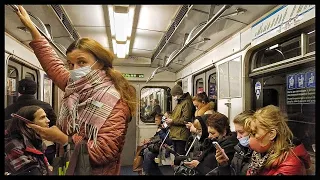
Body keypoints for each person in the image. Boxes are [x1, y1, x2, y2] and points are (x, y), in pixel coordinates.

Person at [15, 6, 136, 175]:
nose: (74, 69)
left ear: (99, 63)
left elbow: (105, 152)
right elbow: (53, 66)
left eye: (82, 62)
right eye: (70, 64)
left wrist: (62, 139)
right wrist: (32, 29)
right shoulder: (76, 87)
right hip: (69, 167)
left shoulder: (114, 102)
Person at [245, 105, 311, 175]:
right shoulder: (258, 157)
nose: (249, 138)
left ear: (271, 134)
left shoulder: (290, 165)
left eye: (254, 133)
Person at [4, 78, 57, 165]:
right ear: (35, 90)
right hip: (46, 147)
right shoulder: (46, 106)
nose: (47, 120)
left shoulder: (9, 109)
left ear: (19, 90)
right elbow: (54, 125)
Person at [5, 105, 52, 175]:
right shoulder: (15, 147)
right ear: (29, 124)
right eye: (42, 118)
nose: (48, 120)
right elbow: (32, 172)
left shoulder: (35, 142)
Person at [208, 110, 254, 175]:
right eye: (236, 132)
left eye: (241, 132)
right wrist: (224, 165)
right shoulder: (239, 150)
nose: (238, 137)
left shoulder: (257, 155)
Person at [165, 84, 193, 158]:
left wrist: (172, 121)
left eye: (174, 95)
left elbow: (186, 119)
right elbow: (177, 115)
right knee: (176, 156)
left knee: (180, 156)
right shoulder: (180, 102)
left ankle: (180, 169)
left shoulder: (186, 103)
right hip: (176, 134)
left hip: (181, 134)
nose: (173, 97)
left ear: (177, 94)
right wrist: (169, 118)